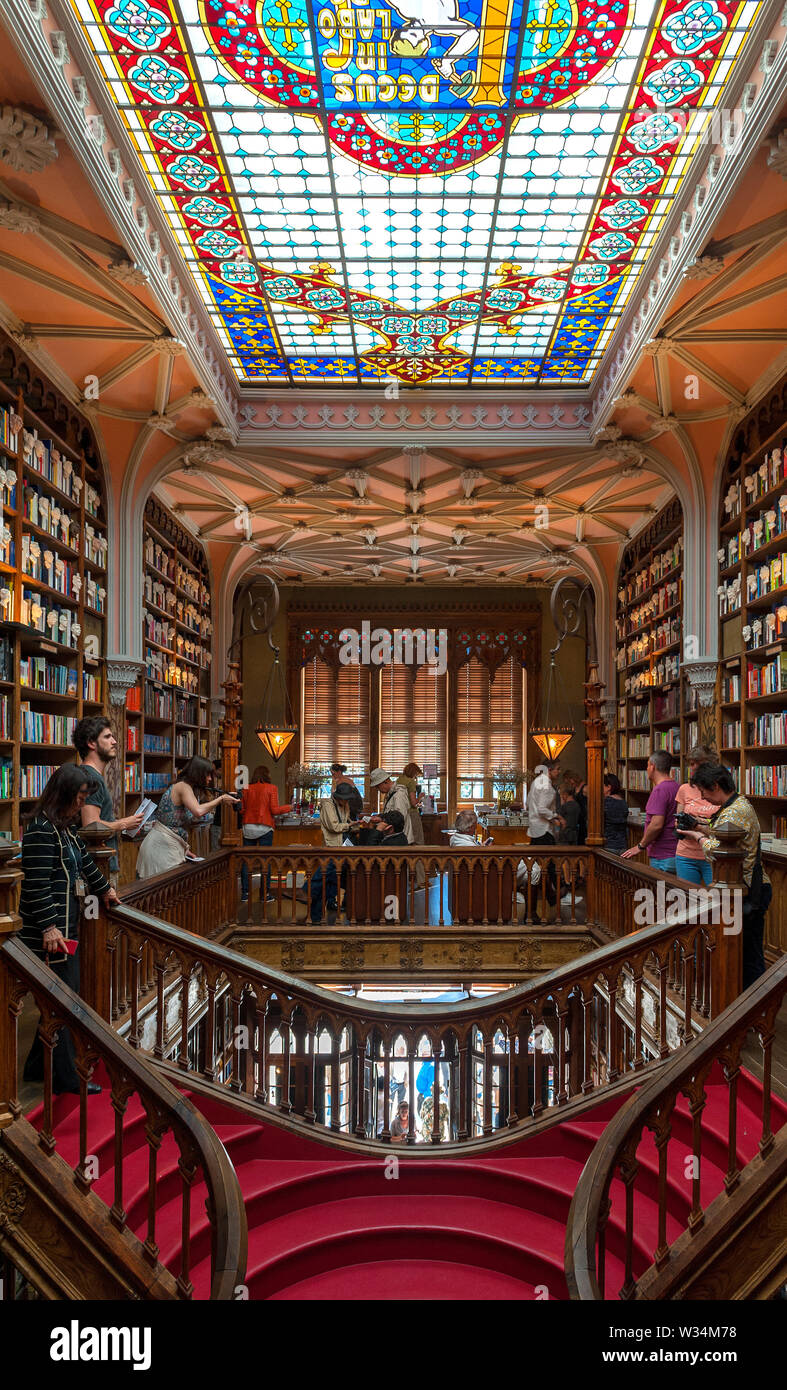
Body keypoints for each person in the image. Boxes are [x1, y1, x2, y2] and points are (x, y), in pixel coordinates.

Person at [20, 764, 119, 1095]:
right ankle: (65, 1078)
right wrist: (49, 927)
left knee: (61, 999)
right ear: (63, 795)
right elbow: (35, 885)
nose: (81, 804)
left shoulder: (63, 828)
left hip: (67, 928)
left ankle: (36, 1066)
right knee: (63, 1002)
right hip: (50, 935)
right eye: (78, 798)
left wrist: (105, 889)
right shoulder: (39, 830)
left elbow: (86, 863)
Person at [679, 763, 771, 990]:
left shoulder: (734, 811)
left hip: (748, 889)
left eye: (704, 792)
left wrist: (696, 836)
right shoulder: (738, 803)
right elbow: (723, 832)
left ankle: (755, 1009)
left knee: (748, 955)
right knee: (742, 952)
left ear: (716, 785)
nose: (703, 797)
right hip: (744, 887)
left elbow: (718, 850)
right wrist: (699, 827)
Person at [136, 757, 239, 878]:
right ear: (198, 773)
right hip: (160, 847)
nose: (210, 779)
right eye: (208, 775)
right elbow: (198, 811)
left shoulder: (185, 786)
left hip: (169, 844)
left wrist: (185, 850)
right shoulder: (183, 786)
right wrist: (221, 799)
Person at [72, 715, 143, 887]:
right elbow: (91, 827)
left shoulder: (92, 776)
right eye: (107, 736)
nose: (115, 741)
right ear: (91, 743)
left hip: (100, 863)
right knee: (98, 913)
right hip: (97, 866)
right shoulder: (91, 778)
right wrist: (124, 824)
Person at [239, 765, 292, 902]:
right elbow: (274, 810)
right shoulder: (271, 788)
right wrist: (289, 807)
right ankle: (264, 895)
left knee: (247, 861)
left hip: (248, 827)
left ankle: (245, 894)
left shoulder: (246, 789)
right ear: (267, 775)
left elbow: (241, 810)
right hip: (265, 827)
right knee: (265, 861)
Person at [621, 750, 678, 873]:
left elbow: (656, 824)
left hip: (662, 855)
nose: (647, 769)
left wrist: (640, 846)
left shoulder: (659, 790)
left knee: (661, 891)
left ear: (652, 766)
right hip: (675, 852)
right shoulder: (676, 787)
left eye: (647, 765)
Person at [310, 780, 356, 922]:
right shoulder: (328, 805)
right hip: (331, 846)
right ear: (338, 797)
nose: (347, 801)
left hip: (341, 846)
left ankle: (324, 908)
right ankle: (312, 906)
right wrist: (349, 826)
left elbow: (345, 821)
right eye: (345, 798)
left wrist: (353, 825)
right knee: (323, 878)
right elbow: (334, 827)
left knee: (333, 880)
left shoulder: (344, 805)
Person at [674, 744, 717, 887]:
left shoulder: (718, 789)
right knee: (688, 900)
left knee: (718, 900)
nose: (693, 767)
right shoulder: (684, 789)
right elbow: (677, 820)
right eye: (691, 764)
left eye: (697, 763)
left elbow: (723, 826)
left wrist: (695, 824)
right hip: (686, 854)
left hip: (712, 855)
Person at [369, 768, 414, 842]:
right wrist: (381, 816)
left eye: (378, 786)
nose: (378, 789)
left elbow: (400, 818)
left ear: (385, 782)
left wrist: (381, 819)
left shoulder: (398, 795)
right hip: (396, 838)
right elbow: (393, 813)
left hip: (401, 841)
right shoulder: (391, 794)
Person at [527, 764, 563, 843]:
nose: (560, 772)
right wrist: (557, 816)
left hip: (535, 829)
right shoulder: (547, 786)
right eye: (558, 769)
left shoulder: (536, 781)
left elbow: (528, 802)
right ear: (549, 770)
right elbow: (541, 809)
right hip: (544, 831)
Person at [397, 762, 426, 846]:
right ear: (414, 772)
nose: (416, 777)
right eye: (416, 774)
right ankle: (419, 858)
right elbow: (413, 803)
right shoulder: (411, 782)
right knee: (417, 838)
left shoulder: (399, 779)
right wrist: (420, 797)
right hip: (412, 813)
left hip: (401, 812)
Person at [603, 772, 630, 855]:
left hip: (608, 845)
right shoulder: (623, 802)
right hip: (622, 845)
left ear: (608, 787)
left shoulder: (605, 802)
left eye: (602, 786)